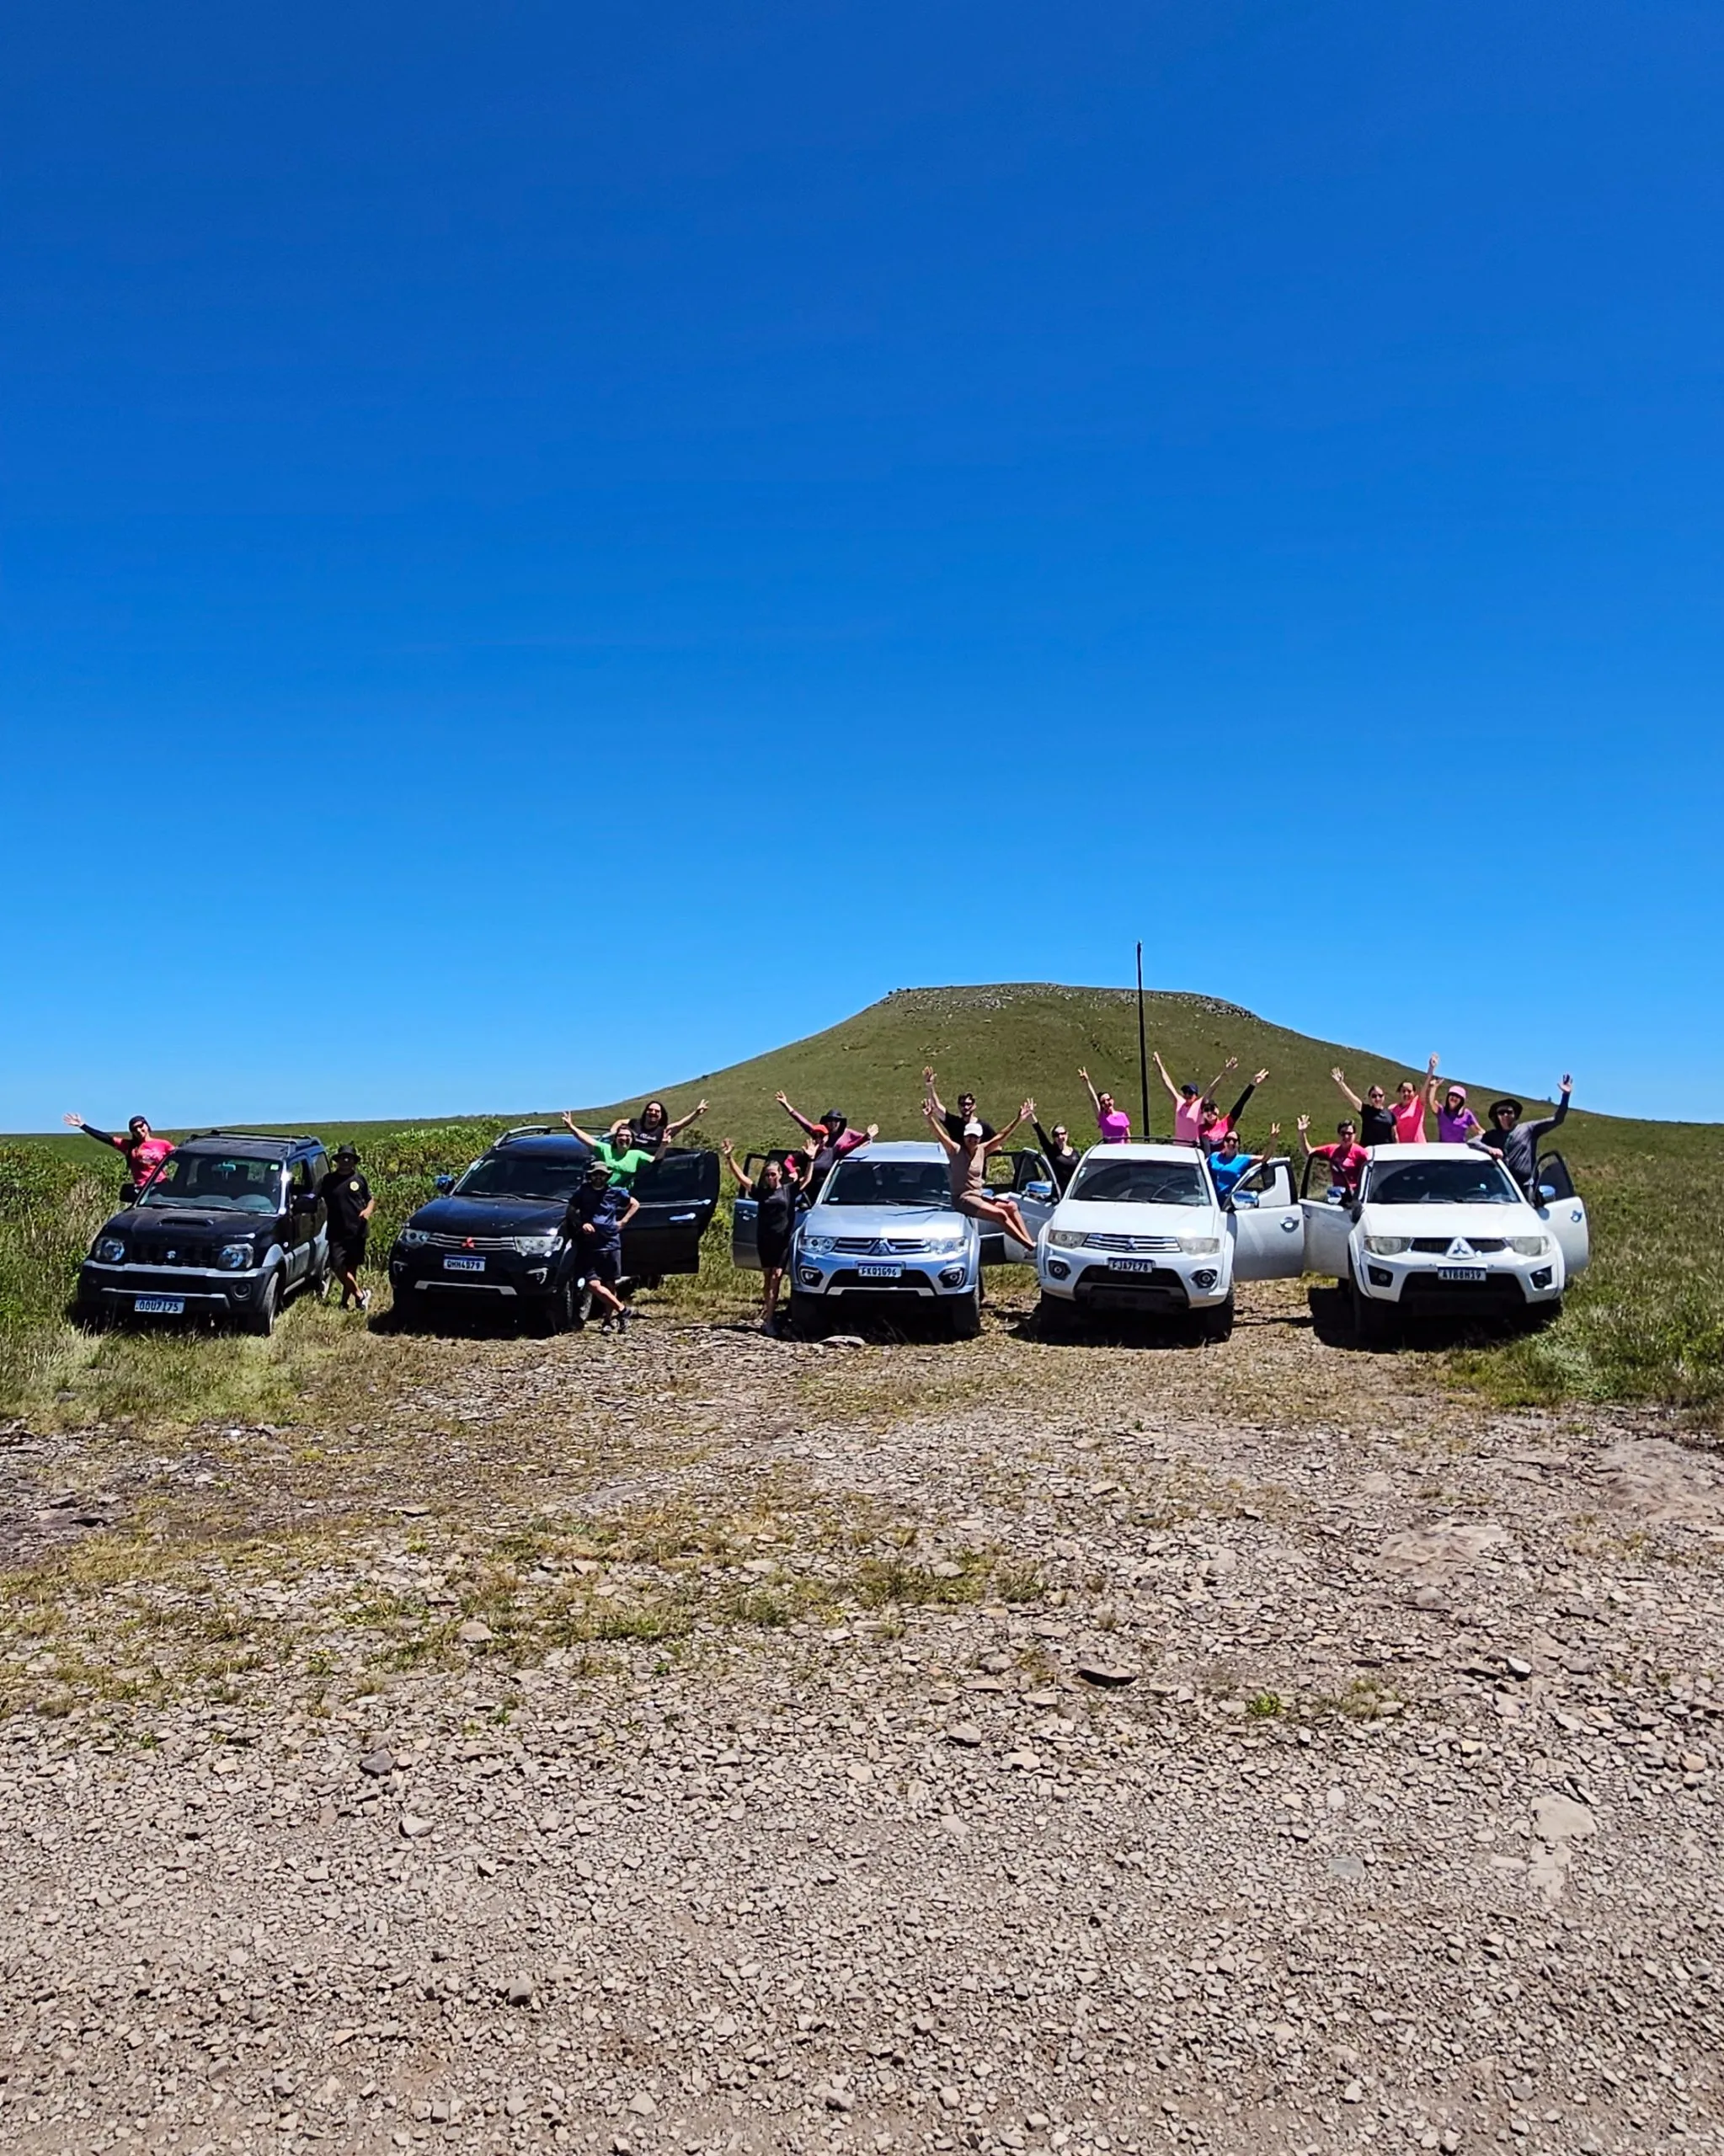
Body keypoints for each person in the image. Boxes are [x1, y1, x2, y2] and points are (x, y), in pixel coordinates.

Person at [922, 1097, 1041, 1252]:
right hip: (963, 1199)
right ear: (964, 1137)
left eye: (976, 1137)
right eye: (969, 1136)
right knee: (1000, 1214)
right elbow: (940, 1135)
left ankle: (1028, 1244)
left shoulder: (982, 1150)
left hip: (977, 1196)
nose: (972, 1140)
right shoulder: (955, 1150)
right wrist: (930, 1118)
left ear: (980, 1138)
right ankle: (1029, 1246)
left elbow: (1001, 1137)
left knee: (1011, 1207)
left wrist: (1019, 1119)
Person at [722, 1143, 796, 1332]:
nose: (770, 1177)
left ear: (780, 1174)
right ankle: (767, 1310)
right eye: (767, 1175)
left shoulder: (788, 1190)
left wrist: (811, 1159)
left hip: (783, 1241)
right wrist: (730, 1159)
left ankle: (769, 1320)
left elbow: (808, 1179)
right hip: (765, 1239)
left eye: (773, 1174)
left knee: (777, 1277)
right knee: (767, 1277)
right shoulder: (761, 1193)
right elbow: (742, 1179)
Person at [564, 1158, 640, 1332]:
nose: (599, 1178)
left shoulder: (616, 1192)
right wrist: (582, 1223)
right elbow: (570, 1211)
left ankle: (609, 1320)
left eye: (602, 1175)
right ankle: (623, 1310)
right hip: (590, 1245)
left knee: (610, 1283)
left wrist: (623, 1222)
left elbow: (635, 1204)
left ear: (607, 1177)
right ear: (590, 1176)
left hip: (611, 1243)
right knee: (591, 1283)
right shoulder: (583, 1192)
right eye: (595, 1175)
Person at [1481, 1078, 1574, 1192]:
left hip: (1527, 1188)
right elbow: (1472, 1143)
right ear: (1497, 1116)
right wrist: (1490, 1149)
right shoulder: (1492, 1135)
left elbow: (1557, 1119)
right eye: (1501, 1112)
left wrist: (1566, 1096)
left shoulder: (1528, 1129)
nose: (1505, 1115)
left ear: (1515, 1114)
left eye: (1509, 1112)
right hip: (1501, 1188)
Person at [319, 1143, 376, 1310]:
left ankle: (346, 1303)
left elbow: (370, 1199)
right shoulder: (328, 1180)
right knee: (337, 1266)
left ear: (354, 1162)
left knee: (352, 1267)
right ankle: (360, 1295)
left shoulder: (359, 1179)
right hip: (336, 1231)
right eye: (343, 1158)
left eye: (349, 1158)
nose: (345, 1161)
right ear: (337, 1161)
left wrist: (368, 1211)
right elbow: (313, 1196)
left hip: (357, 1231)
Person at [63, 1111, 174, 1193]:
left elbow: (181, 1157)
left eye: (141, 1126)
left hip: (161, 1187)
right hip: (142, 1190)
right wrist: (83, 1126)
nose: (139, 1130)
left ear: (147, 1125)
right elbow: (106, 1138)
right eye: (134, 1129)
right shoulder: (129, 1146)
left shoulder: (163, 1144)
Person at [1152, 1052, 1239, 1145]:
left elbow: (1212, 1088)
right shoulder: (1179, 1103)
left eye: (1190, 1093)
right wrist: (1159, 1065)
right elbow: (1168, 1085)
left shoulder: (1198, 1105)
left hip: (1193, 1149)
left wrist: (1224, 1073)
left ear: (1196, 1095)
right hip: (1178, 1148)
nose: (1187, 1095)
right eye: (1185, 1092)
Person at [560, 1114, 659, 1187]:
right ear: (615, 1139)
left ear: (632, 1139)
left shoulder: (637, 1155)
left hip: (621, 1198)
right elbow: (587, 1140)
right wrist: (571, 1127)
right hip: (601, 1193)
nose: (624, 1138)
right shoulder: (605, 1149)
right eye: (620, 1135)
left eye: (628, 1136)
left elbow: (658, 1160)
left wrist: (663, 1144)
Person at [1298, 1114, 1369, 1198]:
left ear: (1354, 1135)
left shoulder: (1361, 1153)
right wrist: (1302, 1133)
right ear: (1339, 1134)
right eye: (1343, 1133)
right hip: (1337, 1195)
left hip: (1355, 1196)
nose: (1346, 1137)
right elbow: (1309, 1153)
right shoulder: (1332, 1150)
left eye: (1349, 1134)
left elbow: (1369, 1176)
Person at [1198, 1069, 1270, 1150]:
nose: (1210, 1113)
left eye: (1212, 1109)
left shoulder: (1227, 1122)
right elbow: (1206, 1148)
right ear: (1203, 1114)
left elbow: (1241, 1103)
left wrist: (1253, 1084)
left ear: (1217, 1110)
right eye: (1206, 1110)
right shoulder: (1202, 1129)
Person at [923, 1070, 997, 1145]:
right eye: (963, 1104)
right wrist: (930, 1086)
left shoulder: (984, 1126)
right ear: (958, 1106)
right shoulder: (954, 1123)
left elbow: (997, 1143)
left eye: (969, 1104)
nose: (966, 1107)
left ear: (974, 1106)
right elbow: (936, 1107)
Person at [1209, 1124, 1282, 1200]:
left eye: (1234, 1141)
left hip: (1228, 1204)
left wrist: (1273, 1141)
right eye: (1228, 1140)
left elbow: (1265, 1158)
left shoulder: (1243, 1160)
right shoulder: (1214, 1156)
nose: (1231, 1143)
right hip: (1210, 1202)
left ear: (1238, 1144)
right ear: (1224, 1142)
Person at [1330, 1069, 1399, 1148]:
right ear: (1369, 1098)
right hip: (1368, 1150)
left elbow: (1395, 1135)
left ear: (1384, 1096)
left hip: (1385, 1151)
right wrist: (1341, 1083)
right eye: (1374, 1096)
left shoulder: (1390, 1114)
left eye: (1380, 1095)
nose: (1377, 1098)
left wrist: (1398, 1149)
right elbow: (1352, 1097)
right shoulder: (1366, 1110)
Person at [1424, 1061, 1484, 1145]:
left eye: (1458, 1097)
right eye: (1452, 1095)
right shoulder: (1442, 1111)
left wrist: (1489, 1139)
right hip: (1444, 1150)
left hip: (1460, 1151)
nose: (1454, 1098)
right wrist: (1434, 1087)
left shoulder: (1466, 1114)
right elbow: (1431, 1102)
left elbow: (1479, 1130)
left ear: (1461, 1101)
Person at [630, 1097, 709, 1157]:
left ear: (661, 1115)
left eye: (657, 1111)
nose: (653, 1113)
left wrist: (696, 1113)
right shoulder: (635, 1124)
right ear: (645, 1112)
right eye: (650, 1110)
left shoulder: (664, 1131)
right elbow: (620, 1122)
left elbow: (681, 1124)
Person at [1030, 1107, 1081, 1193]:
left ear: (1067, 1135)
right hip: (1059, 1192)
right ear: (1053, 1137)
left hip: (1075, 1191)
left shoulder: (1075, 1153)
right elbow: (1040, 1133)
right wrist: (1031, 1115)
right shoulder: (1051, 1152)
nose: (1060, 1137)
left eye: (1062, 1134)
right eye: (1057, 1135)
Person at [1076, 1067, 1132, 1144]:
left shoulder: (1122, 1115)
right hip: (1108, 1151)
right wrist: (1087, 1082)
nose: (1106, 1103)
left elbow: (1128, 1136)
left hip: (1123, 1150)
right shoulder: (1102, 1117)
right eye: (1103, 1102)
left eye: (1108, 1100)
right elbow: (1093, 1099)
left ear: (1112, 1100)